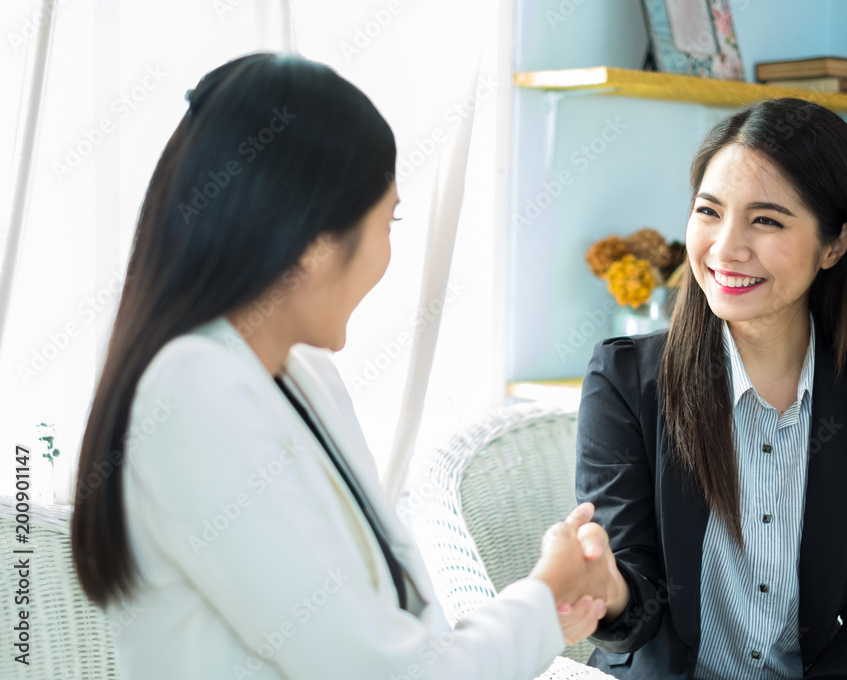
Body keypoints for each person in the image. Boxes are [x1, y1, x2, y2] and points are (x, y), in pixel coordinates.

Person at [70, 52, 612, 679]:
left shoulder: (299, 376)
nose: (388, 254)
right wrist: (542, 596)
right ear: (313, 245)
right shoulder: (193, 391)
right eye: (389, 220)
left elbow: (405, 630)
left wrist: (545, 616)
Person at [570, 98, 847, 679]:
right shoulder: (627, 385)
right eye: (709, 211)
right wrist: (607, 590)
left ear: (834, 244)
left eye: (765, 220)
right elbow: (632, 606)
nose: (726, 247)